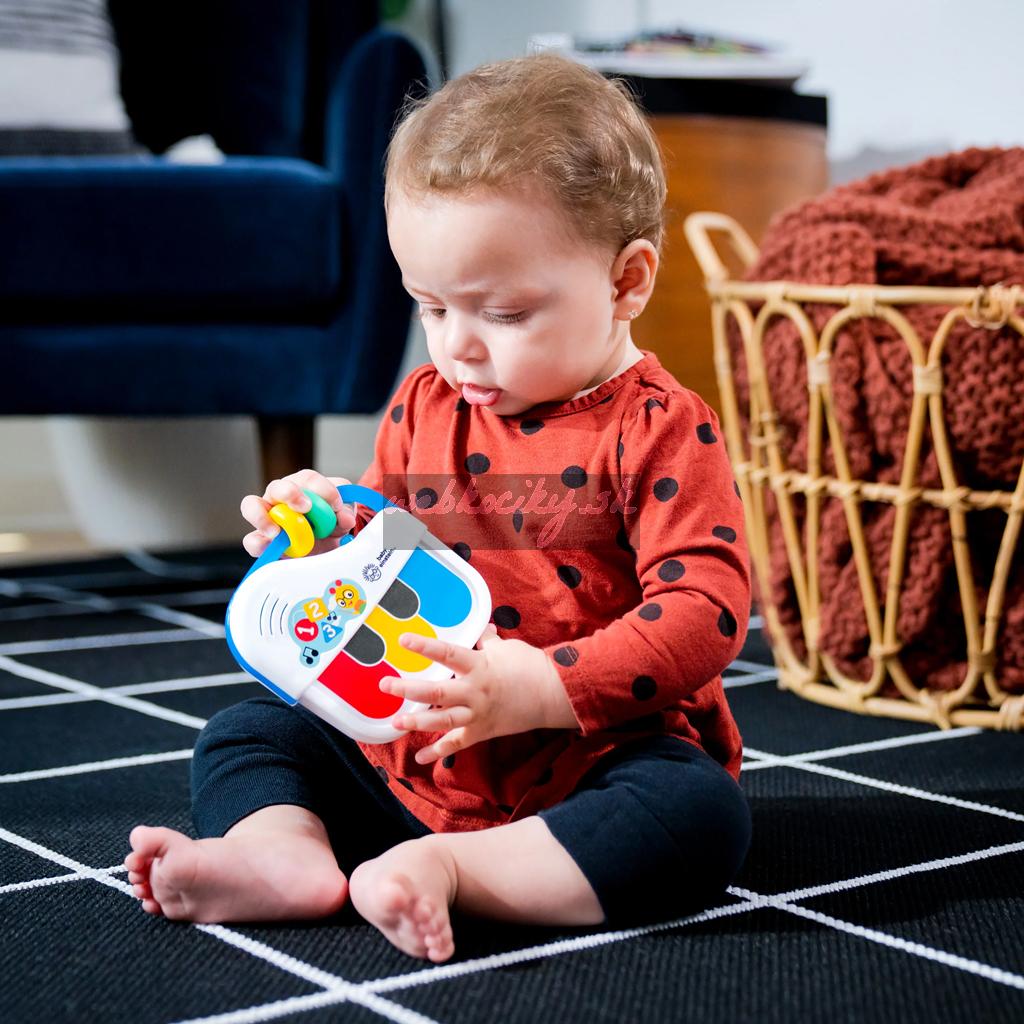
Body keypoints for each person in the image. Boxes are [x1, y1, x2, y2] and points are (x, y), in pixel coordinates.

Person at [125, 53, 752, 963]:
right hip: (412, 753)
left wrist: (540, 688)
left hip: (589, 765)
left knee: (699, 816)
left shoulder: (658, 430)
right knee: (246, 732)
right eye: (430, 306)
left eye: (503, 313)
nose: (458, 347)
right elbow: (384, 536)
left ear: (626, 283)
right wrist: (327, 523)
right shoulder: (427, 403)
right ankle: (281, 855)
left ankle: (456, 870)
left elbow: (706, 610)